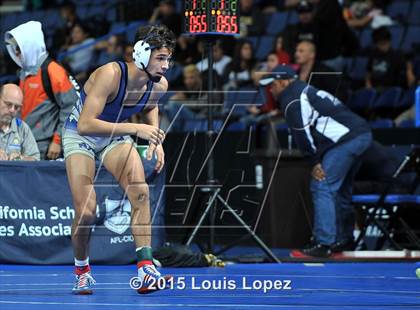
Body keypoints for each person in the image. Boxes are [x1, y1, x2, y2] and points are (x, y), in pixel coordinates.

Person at [62, 24, 175, 294]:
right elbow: (87, 125)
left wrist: (154, 141)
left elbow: (151, 104)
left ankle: (146, 269)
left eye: (168, 59)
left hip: (115, 134)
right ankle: (82, 270)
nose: (167, 66)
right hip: (81, 135)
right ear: (141, 53)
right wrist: (136, 129)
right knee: (87, 211)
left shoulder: (159, 85)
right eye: (161, 58)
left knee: (140, 192)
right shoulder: (110, 75)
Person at [260, 64, 372, 257]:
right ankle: (344, 239)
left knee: (322, 185)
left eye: (273, 85)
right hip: (360, 135)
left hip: (345, 140)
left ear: (284, 82)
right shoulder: (306, 90)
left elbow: (301, 134)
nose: (271, 89)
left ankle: (324, 242)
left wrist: (314, 162)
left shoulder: (291, 98)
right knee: (341, 190)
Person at [5, 21, 79, 160]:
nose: (16, 53)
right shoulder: (24, 72)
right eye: (15, 48)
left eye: (19, 48)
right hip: (27, 143)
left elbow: (73, 107)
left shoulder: (53, 71)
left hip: (47, 146)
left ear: (30, 46)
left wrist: (58, 141)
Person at [0, 84, 40, 161]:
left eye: (17, 107)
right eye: (8, 104)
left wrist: (21, 158)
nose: (12, 110)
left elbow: (36, 160)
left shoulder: (22, 128)